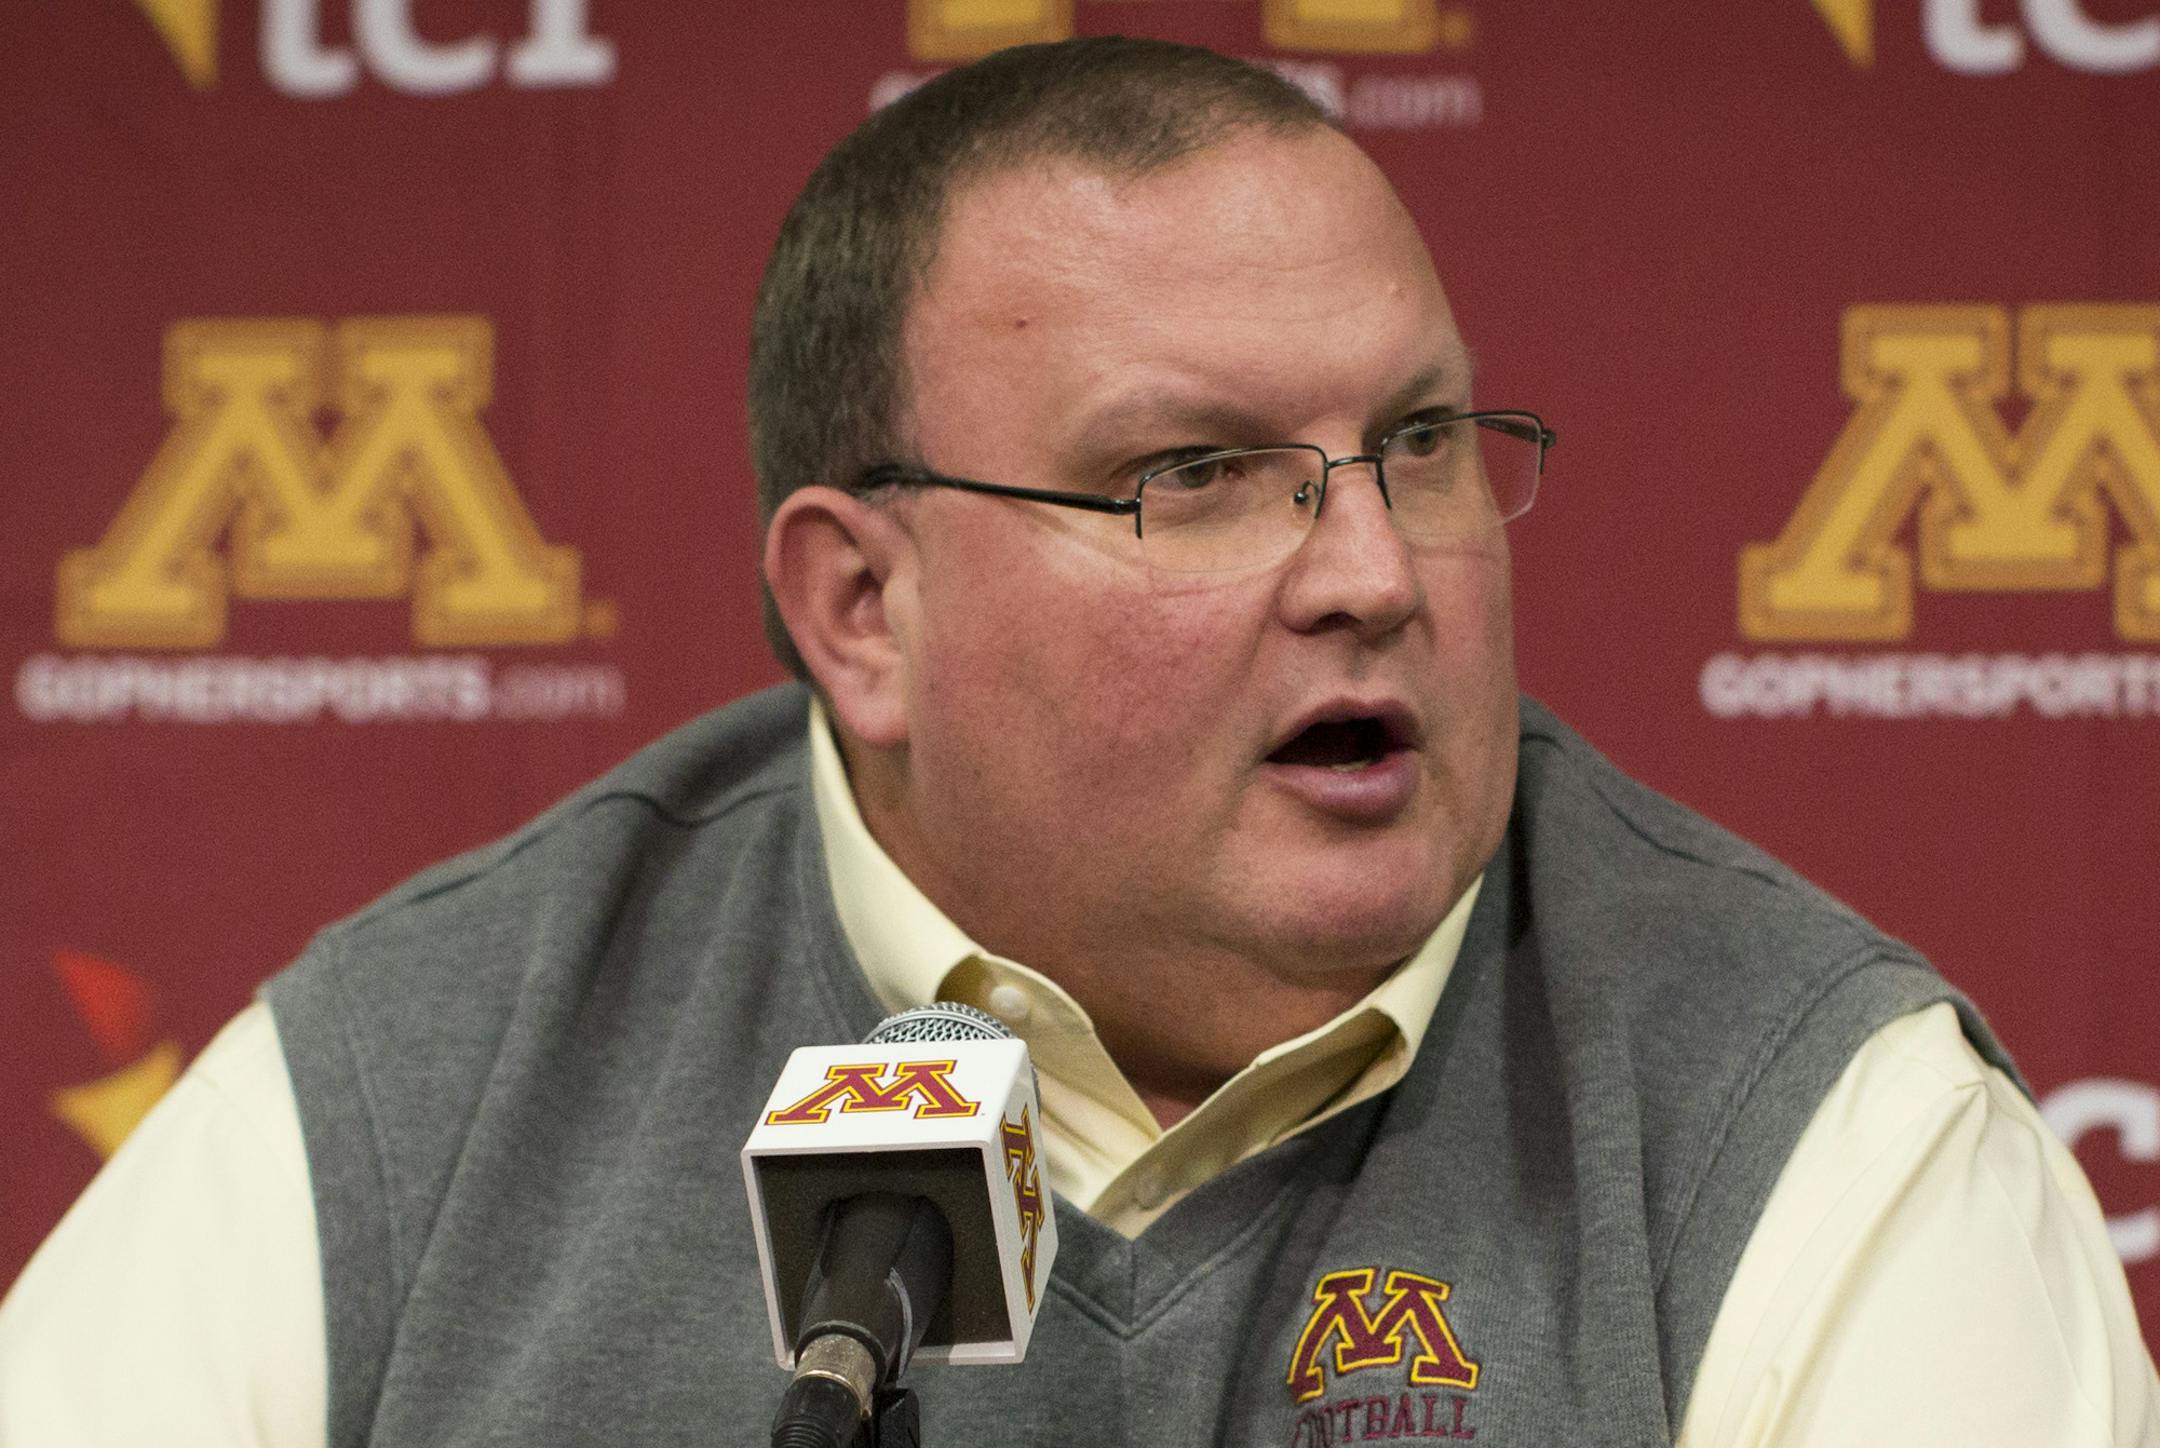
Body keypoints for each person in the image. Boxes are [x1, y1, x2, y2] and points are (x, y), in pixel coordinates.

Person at [3, 35, 2155, 1448]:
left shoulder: (1816, 1129)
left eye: (1415, 443)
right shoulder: (420, 1089)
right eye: (1196, 475)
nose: (1375, 572)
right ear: (867, 605)